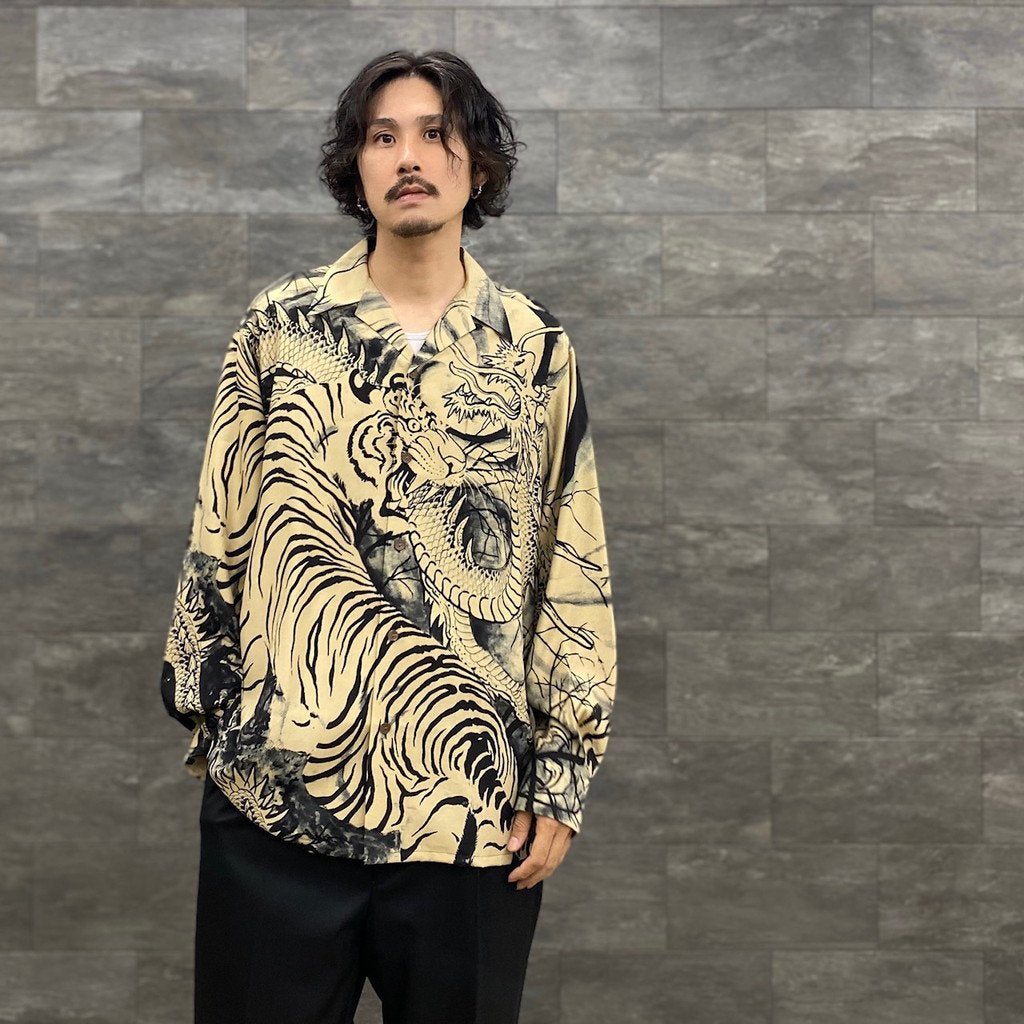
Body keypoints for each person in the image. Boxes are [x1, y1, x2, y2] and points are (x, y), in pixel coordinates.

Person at [159, 48, 617, 1024]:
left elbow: (570, 566)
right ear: (356, 168)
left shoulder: (534, 349)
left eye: (435, 134)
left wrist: (562, 775)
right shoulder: (279, 329)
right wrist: (221, 735)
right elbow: (217, 539)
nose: (408, 156)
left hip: (471, 827)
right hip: (276, 813)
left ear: (476, 165)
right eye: (382, 136)